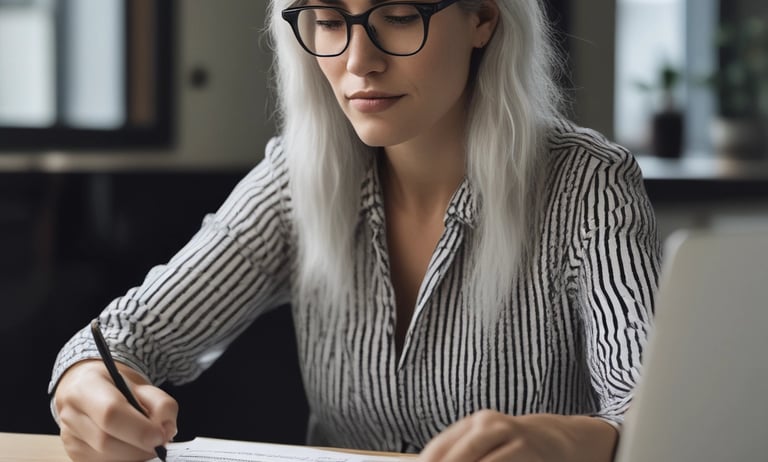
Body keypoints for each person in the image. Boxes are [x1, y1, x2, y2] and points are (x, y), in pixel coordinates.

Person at [49, 0, 661, 461]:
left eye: (397, 16)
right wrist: (91, 385)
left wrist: (570, 442)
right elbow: (121, 338)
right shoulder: (296, 177)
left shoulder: (589, 187)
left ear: (483, 19)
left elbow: (658, 414)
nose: (358, 61)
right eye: (329, 20)